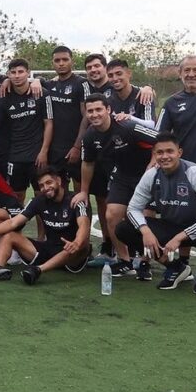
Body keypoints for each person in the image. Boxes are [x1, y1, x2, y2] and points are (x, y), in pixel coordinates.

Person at [116, 132, 196, 294]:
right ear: (154, 154)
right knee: (124, 229)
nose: (165, 156)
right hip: (170, 226)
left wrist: (180, 237)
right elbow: (133, 208)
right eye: (160, 152)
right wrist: (145, 230)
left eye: (170, 151)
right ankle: (176, 267)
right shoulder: (152, 175)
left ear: (179, 153)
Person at [73, 94, 157, 278]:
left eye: (98, 110)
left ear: (108, 110)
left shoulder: (128, 126)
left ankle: (144, 263)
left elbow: (161, 139)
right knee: (111, 215)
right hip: (121, 176)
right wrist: (84, 192)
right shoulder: (89, 136)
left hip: (145, 176)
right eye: (90, 111)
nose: (94, 114)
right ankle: (125, 261)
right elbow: (88, 163)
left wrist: (153, 164)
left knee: (145, 218)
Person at [0, 166, 91, 285]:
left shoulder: (76, 200)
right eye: (41, 185)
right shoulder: (39, 200)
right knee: (9, 235)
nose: (45, 188)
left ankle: (38, 270)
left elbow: (84, 225)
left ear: (58, 181)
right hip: (48, 249)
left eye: (49, 182)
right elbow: (13, 222)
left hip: (72, 255)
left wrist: (76, 242)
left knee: (83, 244)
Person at [0, 59, 54, 203]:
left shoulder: (41, 94)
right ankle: (16, 225)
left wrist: (44, 151)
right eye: (13, 73)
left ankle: (42, 226)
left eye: (20, 72)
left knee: (42, 195)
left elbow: (49, 123)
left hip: (37, 156)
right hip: (15, 156)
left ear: (27, 73)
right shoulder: (3, 97)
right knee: (16, 196)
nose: (17, 76)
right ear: (8, 75)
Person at [157, 55, 196, 179]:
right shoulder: (171, 103)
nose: (191, 74)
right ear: (180, 73)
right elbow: (159, 136)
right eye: (187, 70)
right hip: (185, 169)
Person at [41, 46, 91, 185]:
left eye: (65, 59)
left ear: (72, 62)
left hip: (74, 147)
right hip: (54, 149)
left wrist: (77, 146)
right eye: (57, 60)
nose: (61, 63)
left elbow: (87, 116)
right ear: (53, 63)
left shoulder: (82, 83)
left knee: (79, 192)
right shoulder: (49, 85)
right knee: (57, 189)